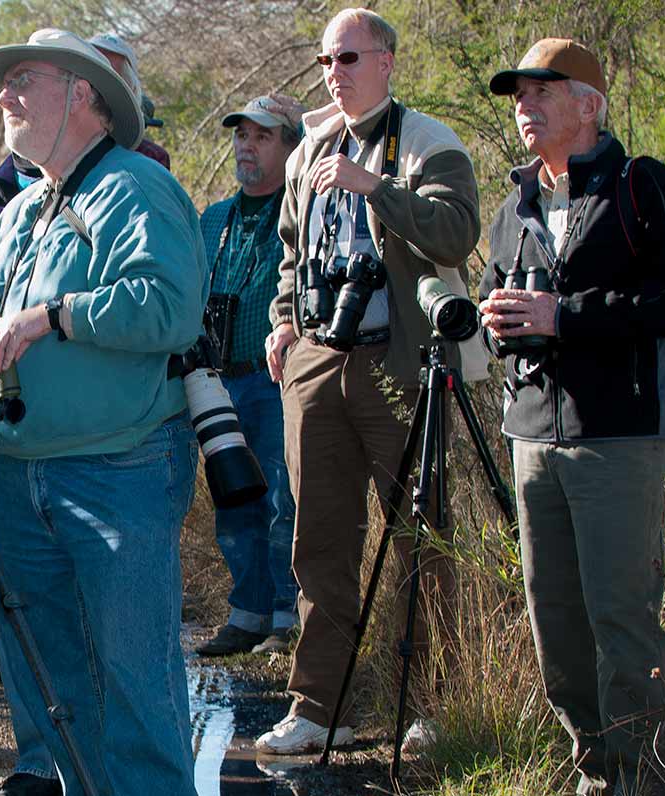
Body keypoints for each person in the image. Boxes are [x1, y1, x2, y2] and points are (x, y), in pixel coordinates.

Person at [0, 28, 205, 796]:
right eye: (4, 84)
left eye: (23, 79)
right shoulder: (24, 206)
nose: (5, 97)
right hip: (20, 476)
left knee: (134, 678)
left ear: (83, 94)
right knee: (46, 678)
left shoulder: (134, 187)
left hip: (117, 470)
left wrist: (54, 317)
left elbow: (170, 308)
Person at [479, 38, 665, 796]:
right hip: (530, 438)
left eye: (542, 91)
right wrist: (497, 320)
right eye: (518, 94)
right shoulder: (514, 204)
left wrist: (563, 315)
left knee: (621, 625)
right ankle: (595, 777)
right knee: (559, 636)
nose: (525, 105)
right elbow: (499, 301)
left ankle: (646, 785)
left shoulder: (643, 187)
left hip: (617, 440)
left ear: (589, 103)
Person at [255, 7, 486, 756]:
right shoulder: (306, 151)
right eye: (326, 61)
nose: (335, 73)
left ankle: (429, 706)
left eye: (349, 58)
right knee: (319, 540)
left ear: (386, 60)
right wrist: (284, 322)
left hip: (400, 362)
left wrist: (374, 186)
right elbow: (290, 254)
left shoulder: (427, 141)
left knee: (420, 532)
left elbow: (456, 234)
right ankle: (320, 707)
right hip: (318, 361)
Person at [192, 94, 305, 658]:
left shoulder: (305, 209)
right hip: (220, 378)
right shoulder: (215, 217)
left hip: (280, 376)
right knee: (233, 496)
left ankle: (289, 617)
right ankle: (248, 613)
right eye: (242, 135)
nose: (246, 146)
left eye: (262, 136)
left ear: (291, 145)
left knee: (284, 497)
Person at [85, 33, 172, 169]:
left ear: (130, 91)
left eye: (111, 78)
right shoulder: (55, 150)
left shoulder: (150, 158)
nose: (97, 88)